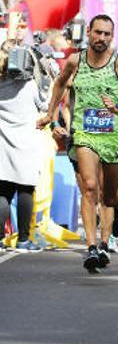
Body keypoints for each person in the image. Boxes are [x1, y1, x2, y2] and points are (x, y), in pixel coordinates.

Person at [38, 15, 118, 273]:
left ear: (111, 37)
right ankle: (93, 246)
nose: (102, 38)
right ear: (90, 33)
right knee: (90, 187)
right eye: (98, 33)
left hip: (114, 137)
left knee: (108, 194)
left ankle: (111, 229)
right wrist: (50, 113)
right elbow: (60, 83)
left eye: (107, 34)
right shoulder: (76, 61)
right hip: (85, 133)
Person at [0, 45, 43, 252]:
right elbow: (44, 105)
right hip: (27, 145)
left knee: (3, 193)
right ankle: (24, 240)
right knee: (25, 189)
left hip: (3, 146)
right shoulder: (30, 85)